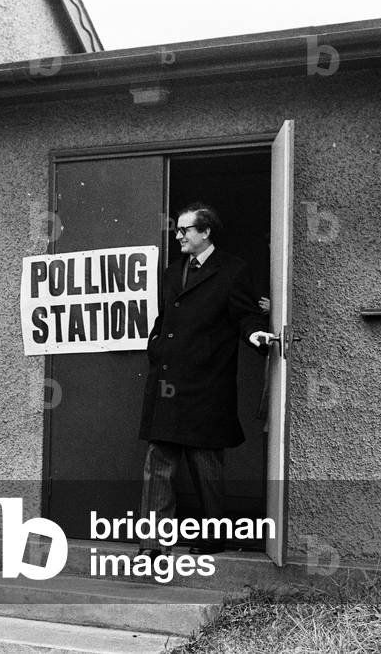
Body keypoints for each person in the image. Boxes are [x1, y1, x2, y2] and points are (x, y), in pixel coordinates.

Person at [138, 203, 273, 557]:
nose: (179, 235)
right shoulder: (171, 273)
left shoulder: (232, 271)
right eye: (178, 230)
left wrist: (257, 335)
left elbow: (245, 316)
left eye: (186, 230)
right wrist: (155, 346)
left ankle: (213, 535)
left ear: (206, 232)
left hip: (206, 385)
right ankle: (153, 544)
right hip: (167, 382)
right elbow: (163, 319)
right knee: (159, 462)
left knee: (205, 464)